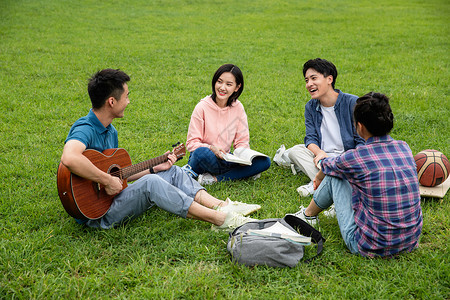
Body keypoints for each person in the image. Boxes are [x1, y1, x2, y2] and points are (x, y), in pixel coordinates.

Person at [60, 68, 261, 231]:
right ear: (111, 102)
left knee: (171, 171)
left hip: (110, 198)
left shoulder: (109, 130)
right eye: (127, 96)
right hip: (97, 214)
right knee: (151, 184)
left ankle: (222, 205)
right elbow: (70, 158)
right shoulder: (85, 128)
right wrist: (105, 180)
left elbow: (120, 175)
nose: (129, 101)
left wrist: (155, 167)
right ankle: (220, 220)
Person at [292, 92, 423, 257]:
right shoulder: (404, 147)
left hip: (367, 246)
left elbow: (327, 166)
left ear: (359, 126)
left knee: (335, 174)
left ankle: (308, 215)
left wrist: (318, 176)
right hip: (410, 241)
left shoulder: (355, 157)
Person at [287, 58, 365, 197]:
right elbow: (310, 138)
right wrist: (319, 153)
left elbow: (362, 141)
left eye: (313, 78)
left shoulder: (352, 102)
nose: (309, 84)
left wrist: (346, 158)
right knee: (295, 151)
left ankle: (319, 184)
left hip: (346, 157)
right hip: (322, 158)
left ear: (329, 79)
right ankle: (330, 183)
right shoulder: (310, 107)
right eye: (306, 80)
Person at [184, 64, 271, 185]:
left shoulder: (238, 107)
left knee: (265, 161)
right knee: (201, 153)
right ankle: (241, 173)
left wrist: (243, 157)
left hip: (226, 158)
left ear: (237, 87)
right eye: (219, 82)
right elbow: (191, 143)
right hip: (206, 156)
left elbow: (242, 142)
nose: (222, 87)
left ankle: (214, 179)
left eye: (228, 84)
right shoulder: (202, 107)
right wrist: (211, 148)